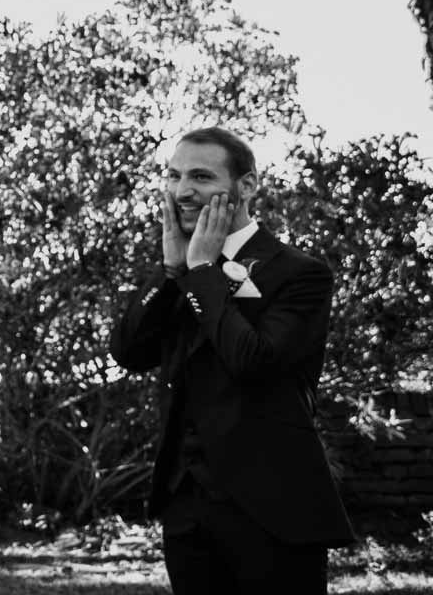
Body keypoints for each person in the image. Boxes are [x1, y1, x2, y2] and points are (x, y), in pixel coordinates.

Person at [110, 128, 356, 595]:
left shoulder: (300, 273)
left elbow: (253, 361)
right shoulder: (182, 268)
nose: (182, 191)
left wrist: (204, 272)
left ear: (247, 186)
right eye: (174, 176)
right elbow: (128, 352)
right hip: (186, 510)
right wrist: (171, 273)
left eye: (201, 177)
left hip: (275, 510)